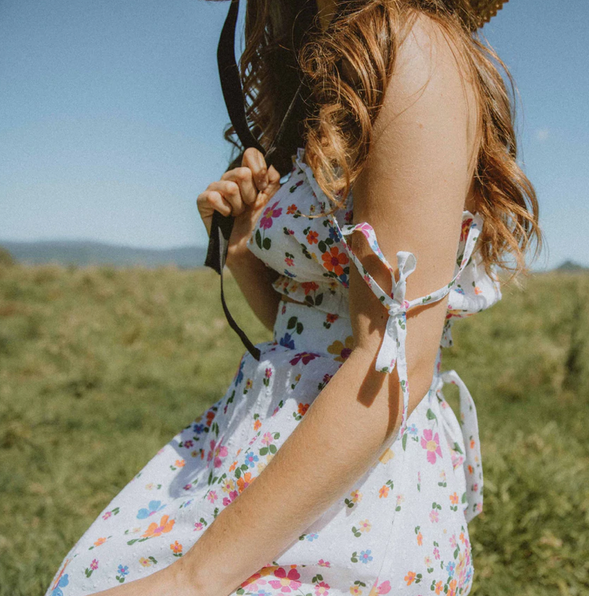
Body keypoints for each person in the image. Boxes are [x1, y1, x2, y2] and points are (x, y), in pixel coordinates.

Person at [44, 1, 539, 595]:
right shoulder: (336, 64)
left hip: (353, 479)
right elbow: (310, 331)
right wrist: (245, 247)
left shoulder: (411, 43)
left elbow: (394, 360)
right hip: (266, 443)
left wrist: (195, 578)